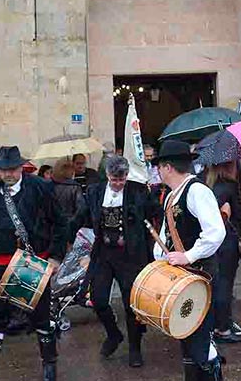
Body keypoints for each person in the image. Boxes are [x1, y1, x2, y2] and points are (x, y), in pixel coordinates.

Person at [0, 146, 68, 381]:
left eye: (12, 169)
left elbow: (60, 223)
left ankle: (49, 365)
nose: (7, 174)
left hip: (32, 264)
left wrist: (55, 257)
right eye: (3, 170)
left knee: (40, 318)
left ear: (21, 167)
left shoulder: (40, 188)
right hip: (2, 263)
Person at [72, 156, 160, 367]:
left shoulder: (138, 191)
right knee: (99, 300)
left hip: (130, 255)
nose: (118, 183)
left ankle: (135, 348)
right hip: (103, 253)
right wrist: (66, 234)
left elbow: (155, 212)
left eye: (122, 179)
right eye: (114, 179)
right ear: (108, 175)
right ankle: (114, 335)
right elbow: (82, 215)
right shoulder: (94, 191)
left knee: (132, 304)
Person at [152, 140, 226, 380]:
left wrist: (188, 255)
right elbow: (166, 234)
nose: (158, 171)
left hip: (201, 275)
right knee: (187, 336)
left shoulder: (197, 191)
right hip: (183, 278)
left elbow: (216, 232)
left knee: (199, 339)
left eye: (159, 166)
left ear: (168, 167)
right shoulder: (173, 195)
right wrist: (161, 258)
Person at [206, 162, 241, 344]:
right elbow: (240, 215)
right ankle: (222, 328)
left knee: (217, 283)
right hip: (228, 241)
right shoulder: (230, 186)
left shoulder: (207, 185)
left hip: (214, 242)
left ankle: (219, 323)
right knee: (226, 284)